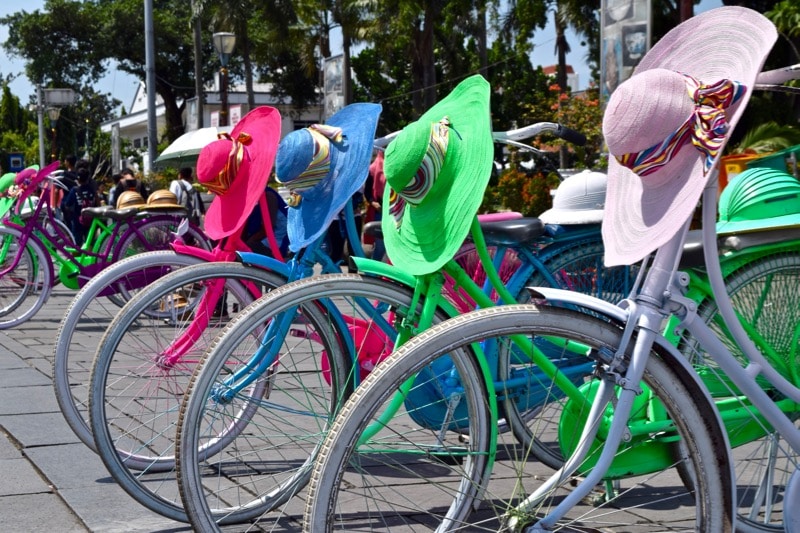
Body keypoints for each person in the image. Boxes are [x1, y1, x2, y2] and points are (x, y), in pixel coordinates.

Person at [61, 167, 97, 247]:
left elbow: (67, 205)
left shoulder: (74, 190)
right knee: (90, 243)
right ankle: (91, 258)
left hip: (77, 221)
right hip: (90, 221)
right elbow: (96, 203)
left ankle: (77, 259)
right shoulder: (91, 189)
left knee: (76, 244)